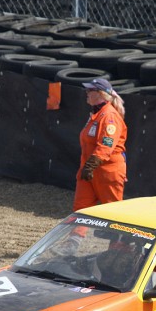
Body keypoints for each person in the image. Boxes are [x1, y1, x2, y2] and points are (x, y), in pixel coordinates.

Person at [56, 78, 128, 256]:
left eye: (90, 91)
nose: (86, 93)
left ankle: (118, 248)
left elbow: (106, 145)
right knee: (81, 208)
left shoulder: (109, 117)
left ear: (101, 94)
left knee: (113, 211)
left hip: (107, 171)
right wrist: (88, 168)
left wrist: (91, 165)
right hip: (90, 170)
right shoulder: (97, 115)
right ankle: (73, 242)